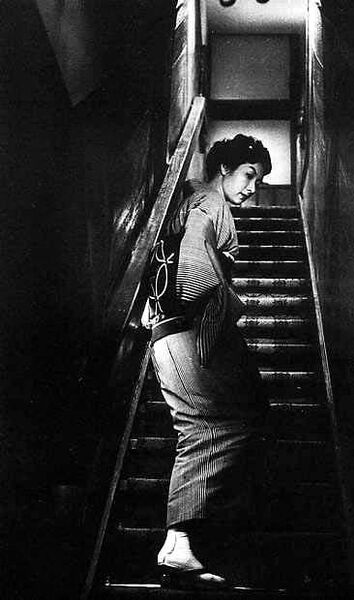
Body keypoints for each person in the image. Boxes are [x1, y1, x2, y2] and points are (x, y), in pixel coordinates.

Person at [143, 134, 272, 589]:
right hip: (187, 328)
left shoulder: (194, 199)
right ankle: (182, 543)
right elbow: (194, 261)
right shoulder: (211, 204)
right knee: (222, 424)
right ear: (224, 169)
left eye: (259, 181)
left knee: (213, 423)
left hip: (169, 331)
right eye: (249, 175)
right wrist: (223, 309)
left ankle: (183, 543)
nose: (252, 188)